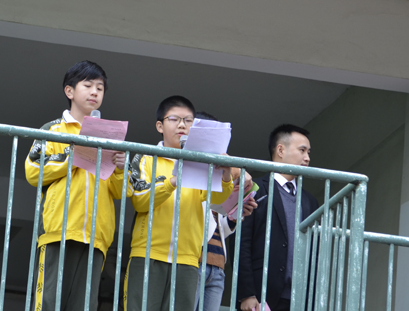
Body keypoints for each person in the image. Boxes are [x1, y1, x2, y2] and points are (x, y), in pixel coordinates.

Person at [24, 60, 127, 311]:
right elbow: (33, 171)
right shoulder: (53, 130)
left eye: (100, 88)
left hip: (96, 236)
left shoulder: (110, 138)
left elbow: (118, 191)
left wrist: (120, 168)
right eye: (88, 85)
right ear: (69, 91)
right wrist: (74, 154)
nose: (95, 92)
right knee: (48, 302)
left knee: (84, 305)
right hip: (58, 230)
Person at [124, 96, 235, 311]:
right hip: (147, 254)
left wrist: (226, 175)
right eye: (174, 119)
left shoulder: (201, 162)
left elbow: (217, 200)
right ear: (160, 126)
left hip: (188, 259)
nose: (182, 125)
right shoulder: (146, 158)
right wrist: (173, 181)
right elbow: (140, 200)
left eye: (188, 120)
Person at [237, 124, 318, 311]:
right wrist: (247, 293)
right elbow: (241, 243)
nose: (307, 158)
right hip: (261, 296)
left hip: (299, 298)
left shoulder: (310, 201)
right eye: (302, 150)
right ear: (281, 150)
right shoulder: (255, 189)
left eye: (308, 152)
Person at [193, 112, 258, 311]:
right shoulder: (188, 168)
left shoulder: (221, 173)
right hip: (193, 260)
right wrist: (237, 170)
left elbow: (219, 224)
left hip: (218, 264)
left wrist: (237, 213)